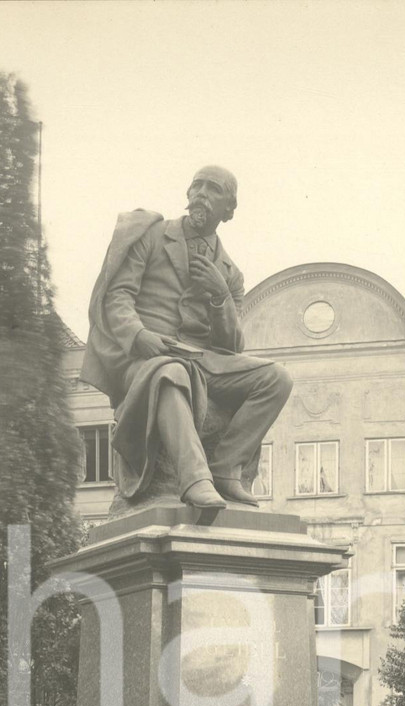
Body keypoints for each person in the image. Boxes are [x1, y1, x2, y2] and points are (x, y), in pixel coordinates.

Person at [81, 166, 293, 509]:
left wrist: (221, 296)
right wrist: (138, 335)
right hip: (146, 357)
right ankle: (195, 479)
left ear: (229, 210)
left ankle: (226, 468)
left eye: (213, 189)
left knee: (276, 379)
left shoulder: (230, 274)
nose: (202, 194)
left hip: (202, 360)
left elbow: (231, 347)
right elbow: (118, 296)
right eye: (198, 186)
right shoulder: (151, 236)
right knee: (171, 373)